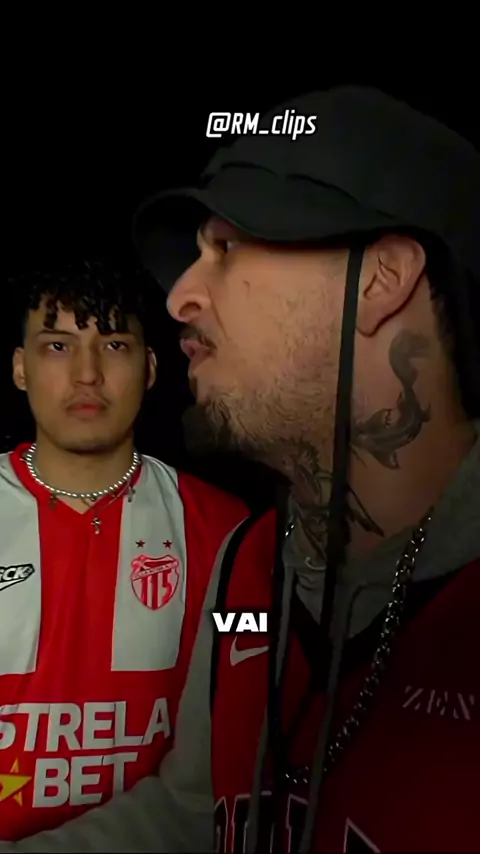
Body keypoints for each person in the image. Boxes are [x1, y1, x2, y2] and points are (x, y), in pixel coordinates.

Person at [130, 87, 480, 852]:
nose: (181, 296)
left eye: (226, 249)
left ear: (381, 279)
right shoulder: (248, 570)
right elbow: (192, 811)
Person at [0, 259, 263, 846]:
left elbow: (252, 681)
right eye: (58, 346)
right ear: (20, 368)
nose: (87, 374)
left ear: (149, 369)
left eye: (114, 345)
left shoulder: (228, 532)